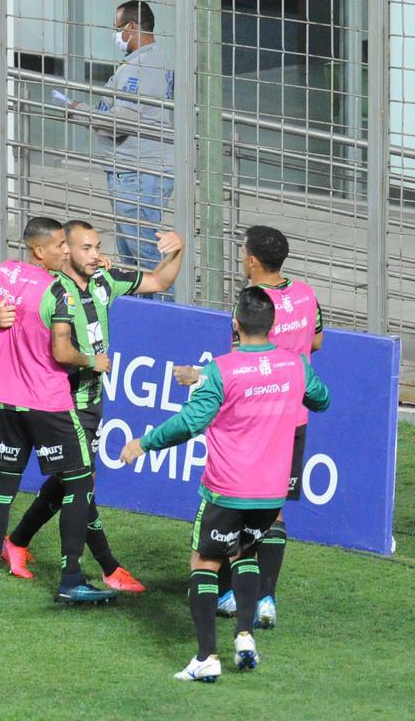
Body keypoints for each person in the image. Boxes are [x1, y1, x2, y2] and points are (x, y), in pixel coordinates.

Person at [121, 287, 329, 682]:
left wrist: (143, 443)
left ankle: (206, 658)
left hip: (227, 488)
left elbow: (190, 422)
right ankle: (245, 637)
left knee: (205, 561)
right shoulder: (296, 365)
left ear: (235, 325)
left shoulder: (222, 369)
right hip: (271, 493)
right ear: (273, 325)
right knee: (246, 553)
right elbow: (321, 400)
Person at [0, 220, 185, 592]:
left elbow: (160, 282)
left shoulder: (104, 279)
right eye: (86, 248)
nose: (96, 254)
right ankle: (107, 567)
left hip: (92, 402)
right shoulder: (51, 287)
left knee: (71, 481)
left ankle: (16, 541)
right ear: (64, 249)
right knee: (82, 483)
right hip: (59, 403)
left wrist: (178, 250)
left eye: (97, 246)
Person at [175, 225, 323, 629]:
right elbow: (317, 343)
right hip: (293, 416)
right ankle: (265, 600)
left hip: (255, 418)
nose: (241, 259)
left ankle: (227, 592)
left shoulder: (251, 305)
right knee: (272, 510)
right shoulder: (307, 294)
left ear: (253, 261)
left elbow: (241, 361)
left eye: (242, 253)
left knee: (239, 502)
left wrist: (198, 375)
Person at [0, 217, 116, 605]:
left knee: (2, 491)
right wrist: (92, 361)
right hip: (48, 402)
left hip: (4, 400)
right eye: (60, 246)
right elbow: (61, 352)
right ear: (40, 251)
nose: (67, 251)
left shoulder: (7, 273)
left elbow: (1, 319)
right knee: (78, 482)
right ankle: (71, 578)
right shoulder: (59, 291)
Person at [57, 1, 175, 270]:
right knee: (132, 258)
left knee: (146, 257)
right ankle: (142, 308)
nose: (116, 35)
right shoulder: (149, 60)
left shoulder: (141, 67)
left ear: (132, 27)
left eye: (118, 29)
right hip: (135, 170)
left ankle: (164, 309)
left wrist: (79, 111)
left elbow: (119, 123)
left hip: (139, 172)